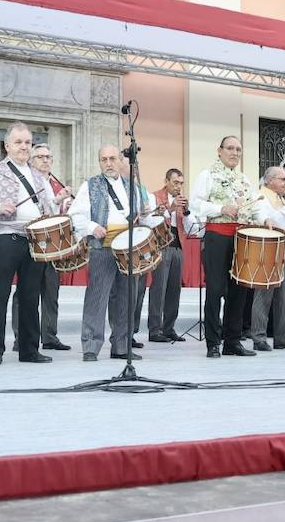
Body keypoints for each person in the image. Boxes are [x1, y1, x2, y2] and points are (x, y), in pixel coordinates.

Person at [0, 122, 60, 365]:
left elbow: (51, 205)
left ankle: (29, 350)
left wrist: (61, 205)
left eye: (28, 142)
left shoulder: (40, 176)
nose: (24, 147)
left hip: (34, 241)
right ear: (7, 145)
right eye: (18, 142)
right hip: (4, 239)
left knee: (30, 296)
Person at [69, 145, 162, 361]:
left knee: (126, 298)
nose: (108, 163)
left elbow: (147, 221)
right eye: (104, 160)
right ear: (99, 162)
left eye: (112, 158)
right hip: (103, 246)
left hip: (129, 249)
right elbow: (75, 215)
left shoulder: (135, 188)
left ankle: (121, 346)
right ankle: (91, 346)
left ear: (121, 161)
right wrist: (92, 228)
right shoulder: (90, 185)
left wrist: (148, 215)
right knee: (97, 296)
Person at [191, 136, 260, 358]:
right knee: (216, 289)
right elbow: (196, 204)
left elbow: (256, 205)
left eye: (238, 149)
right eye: (230, 148)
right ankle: (213, 342)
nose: (235, 152)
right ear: (219, 151)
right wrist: (222, 208)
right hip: (217, 236)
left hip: (242, 238)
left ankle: (232, 341)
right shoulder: (207, 175)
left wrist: (265, 219)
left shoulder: (245, 180)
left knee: (239, 291)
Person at [11, 144, 73, 351]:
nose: (45, 160)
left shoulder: (56, 184)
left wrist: (67, 205)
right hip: (30, 242)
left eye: (48, 157)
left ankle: (49, 336)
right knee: (25, 292)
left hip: (53, 244)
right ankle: (21, 337)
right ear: (31, 160)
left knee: (51, 291)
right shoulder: (24, 180)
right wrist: (57, 200)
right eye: (40, 157)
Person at [250, 165, 285, 350]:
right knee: (264, 295)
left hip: (284, 249)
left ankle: (282, 336)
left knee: (284, 296)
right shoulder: (260, 197)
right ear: (269, 180)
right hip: (268, 250)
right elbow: (274, 222)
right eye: (282, 179)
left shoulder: (280, 199)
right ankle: (259, 337)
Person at [148, 168, 198, 343]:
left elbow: (192, 225)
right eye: (175, 182)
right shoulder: (155, 196)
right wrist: (171, 207)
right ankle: (154, 330)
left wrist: (186, 211)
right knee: (158, 289)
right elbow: (153, 220)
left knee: (174, 290)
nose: (178, 186)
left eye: (181, 183)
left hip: (178, 246)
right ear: (166, 181)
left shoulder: (182, 201)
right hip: (161, 246)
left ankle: (169, 328)